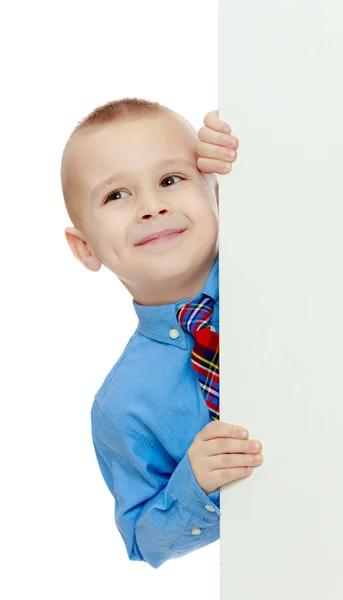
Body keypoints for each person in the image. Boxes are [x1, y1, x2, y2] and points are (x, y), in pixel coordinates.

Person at [61, 98, 264, 569]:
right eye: (117, 195)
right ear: (85, 247)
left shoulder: (279, 263)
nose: (152, 207)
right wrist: (195, 482)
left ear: (215, 192)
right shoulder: (122, 406)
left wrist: (251, 150)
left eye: (171, 180)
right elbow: (144, 539)